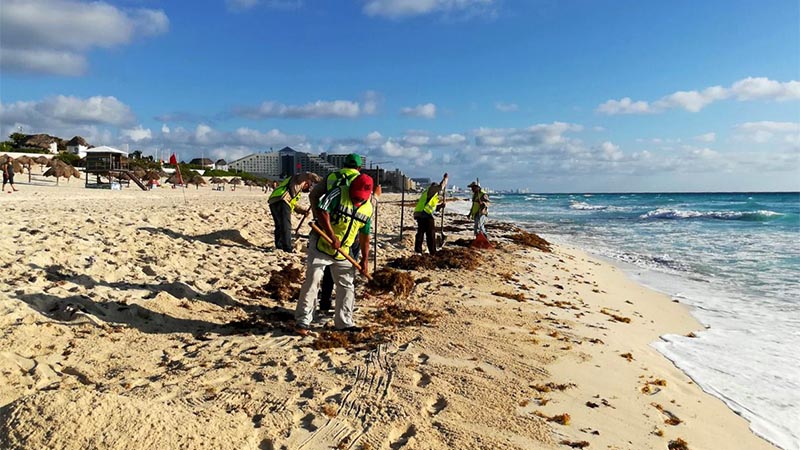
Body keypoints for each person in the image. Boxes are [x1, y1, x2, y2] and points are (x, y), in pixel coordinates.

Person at [294, 173, 374, 334]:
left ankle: (344, 323)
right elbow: (322, 210)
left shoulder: (368, 208)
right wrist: (331, 235)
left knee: (347, 285)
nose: (357, 200)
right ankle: (303, 321)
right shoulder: (338, 192)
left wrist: (365, 259)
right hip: (322, 245)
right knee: (313, 279)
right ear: (352, 188)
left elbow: (365, 235)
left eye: (361, 198)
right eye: (355, 197)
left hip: (343, 250)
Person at [308, 154, 363, 315]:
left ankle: (325, 303)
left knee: (327, 266)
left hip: (328, 226)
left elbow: (313, 195)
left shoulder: (332, 176)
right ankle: (345, 308)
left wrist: (318, 216)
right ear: (359, 168)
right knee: (347, 272)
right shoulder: (360, 179)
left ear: (343, 164)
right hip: (350, 229)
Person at [268, 172, 321, 252]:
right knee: (286, 225)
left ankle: (279, 245)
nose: (307, 188)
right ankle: (287, 247)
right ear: (307, 182)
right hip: (281, 200)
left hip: (274, 201)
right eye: (308, 186)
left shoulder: (294, 190)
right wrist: (319, 180)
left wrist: (303, 211)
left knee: (279, 225)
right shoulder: (298, 180)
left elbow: (292, 204)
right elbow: (307, 174)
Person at [413, 173, 448, 254]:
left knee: (421, 232)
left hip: (420, 213)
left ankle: (418, 250)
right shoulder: (431, 189)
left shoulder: (432, 196)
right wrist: (445, 179)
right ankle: (432, 251)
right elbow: (440, 187)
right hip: (424, 214)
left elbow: (432, 207)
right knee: (430, 233)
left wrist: (440, 206)